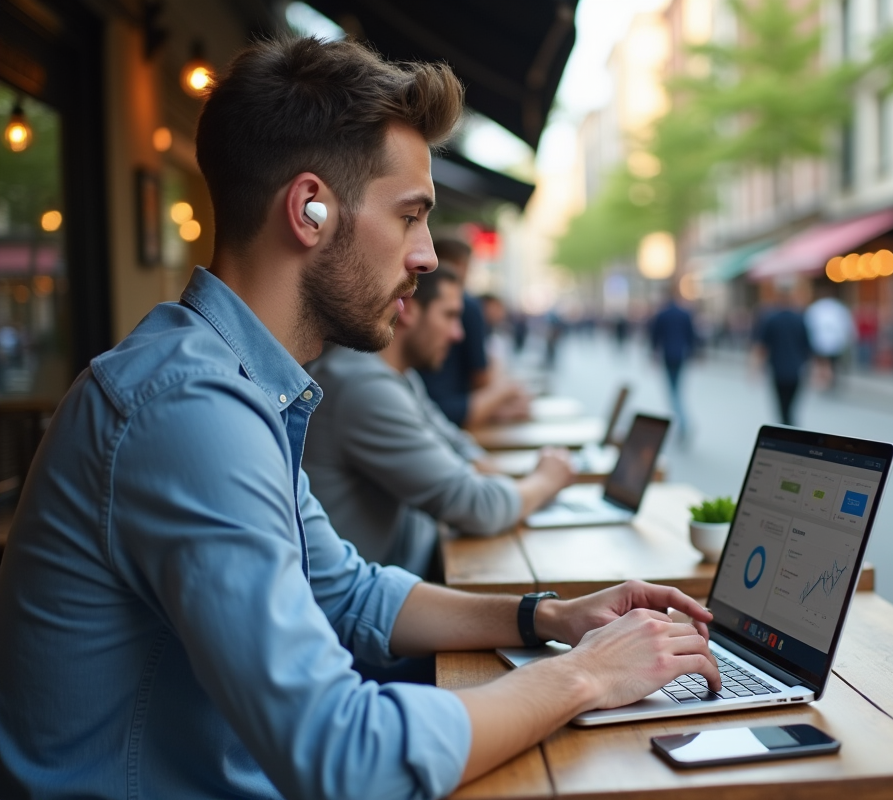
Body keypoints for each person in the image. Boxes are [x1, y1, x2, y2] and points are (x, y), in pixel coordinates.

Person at [0, 37, 720, 800]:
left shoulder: (234, 385)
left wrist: (552, 617)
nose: (428, 258)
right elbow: (347, 759)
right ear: (309, 210)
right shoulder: (187, 410)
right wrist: (587, 675)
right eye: (410, 216)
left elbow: (349, 593)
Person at [306, 269, 575, 578]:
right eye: (449, 316)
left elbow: (458, 449)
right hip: (374, 606)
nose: (457, 334)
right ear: (408, 309)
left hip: (406, 576)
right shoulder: (362, 385)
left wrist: (518, 488)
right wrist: (546, 480)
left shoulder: (395, 375)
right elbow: (475, 507)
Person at [419, 238, 529, 428]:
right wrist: (502, 393)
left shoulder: (410, 388)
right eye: (449, 315)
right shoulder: (469, 305)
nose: (457, 334)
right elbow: (481, 377)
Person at [753, 284, 812, 426]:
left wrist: (755, 367)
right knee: (791, 406)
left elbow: (762, 346)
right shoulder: (800, 319)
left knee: (782, 406)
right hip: (795, 369)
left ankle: (786, 428)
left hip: (778, 369)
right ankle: (790, 427)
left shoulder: (771, 319)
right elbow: (808, 347)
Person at [649, 289, 698, 437]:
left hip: (668, 356)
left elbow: (654, 336)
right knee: (677, 391)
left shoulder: (662, 314)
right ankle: (682, 422)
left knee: (673, 393)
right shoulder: (685, 314)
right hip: (681, 355)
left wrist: (653, 354)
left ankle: (683, 423)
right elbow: (692, 335)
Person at [804, 280, 855, 391]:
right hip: (835, 341)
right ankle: (829, 380)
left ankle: (825, 381)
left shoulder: (815, 308)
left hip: (820, 342)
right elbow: (847, 325)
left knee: (823, 362)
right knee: (831, 363)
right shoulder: (838, 307)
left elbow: (809, 325)